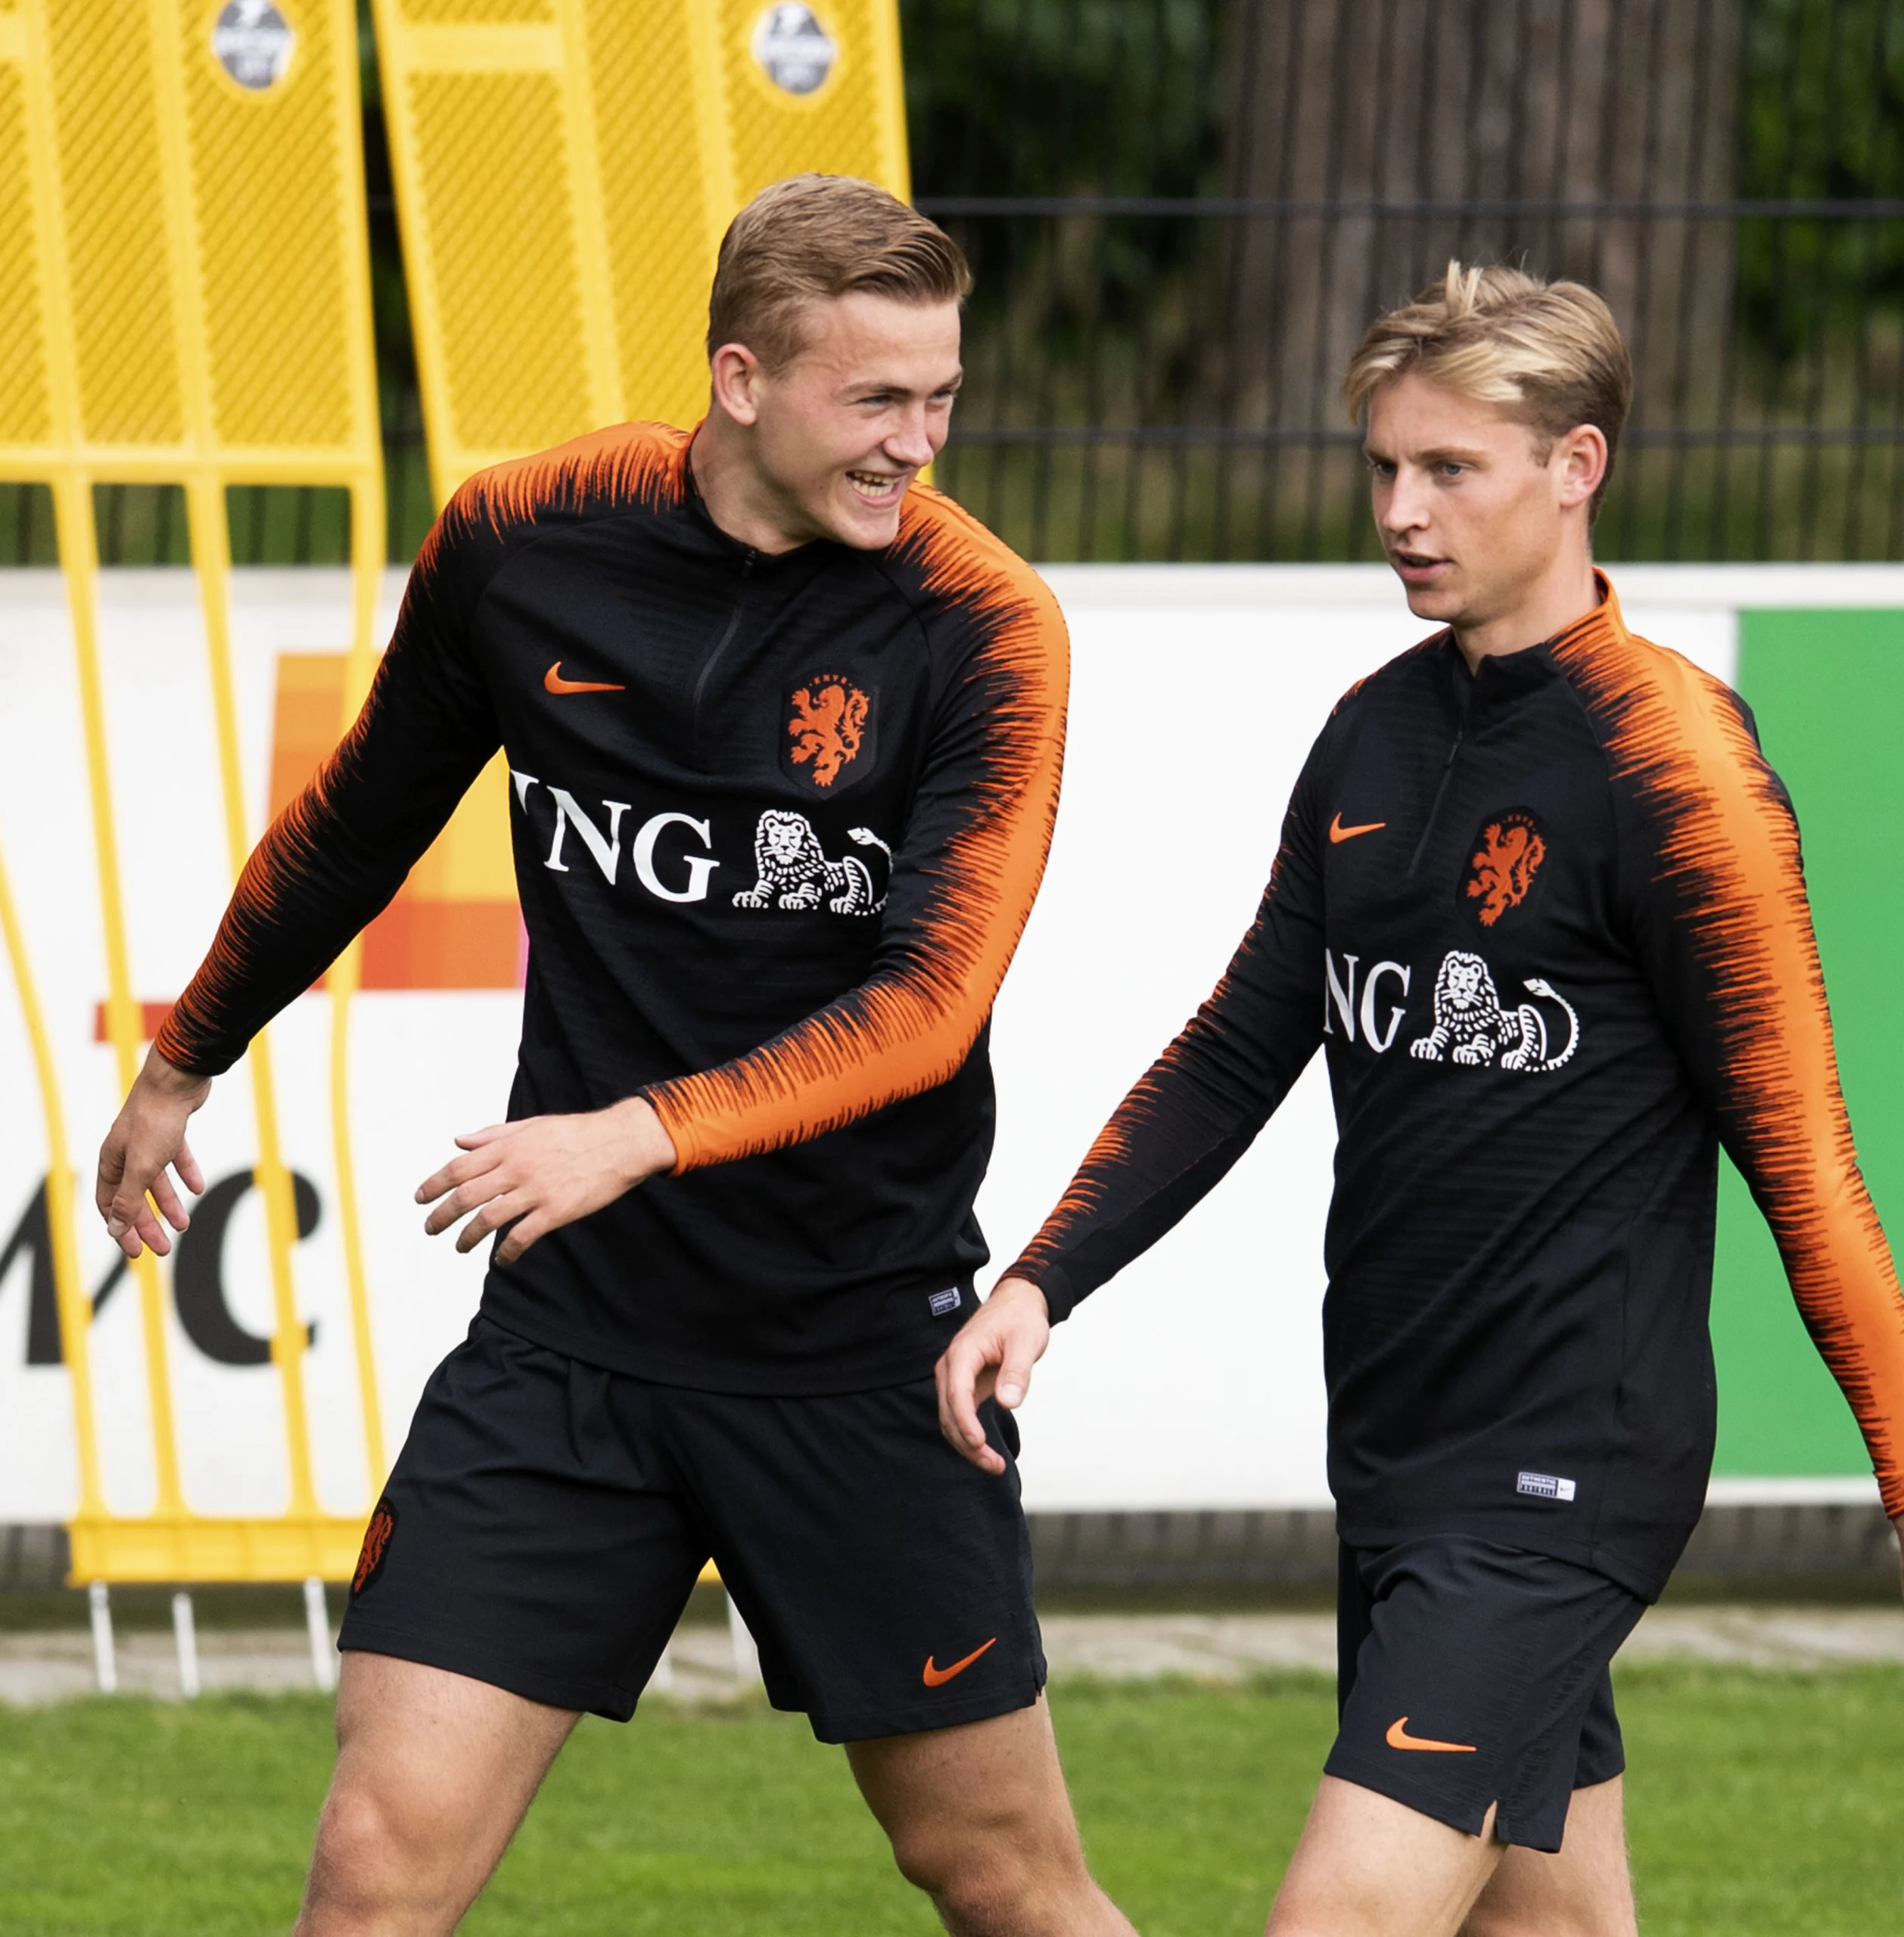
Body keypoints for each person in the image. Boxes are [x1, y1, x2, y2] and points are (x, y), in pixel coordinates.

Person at [934, 263, 1904, 1937]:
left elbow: (1802, 1158)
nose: (1400, 511)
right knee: (1547, 1922)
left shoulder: (1679, 770)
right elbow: (1244, 1040)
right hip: (1397, 1441)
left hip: (1564, 1465)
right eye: (1385, 467)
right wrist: (1044, 1274)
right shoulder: (1372, 733)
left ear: (1576, 465)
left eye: (1449, 469)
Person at [92, 175, 1130, 1937]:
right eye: (877, 400)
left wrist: (635, 1131)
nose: (920, 443)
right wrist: (185, 1057)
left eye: (941, 397)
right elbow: (357, 827)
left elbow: (929, 1005)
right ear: (743, 379)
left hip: (854, 1349)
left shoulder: (985, 624)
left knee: (1003, 1878)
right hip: (571, 1341)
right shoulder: (525, 534)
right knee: (371, 1863)